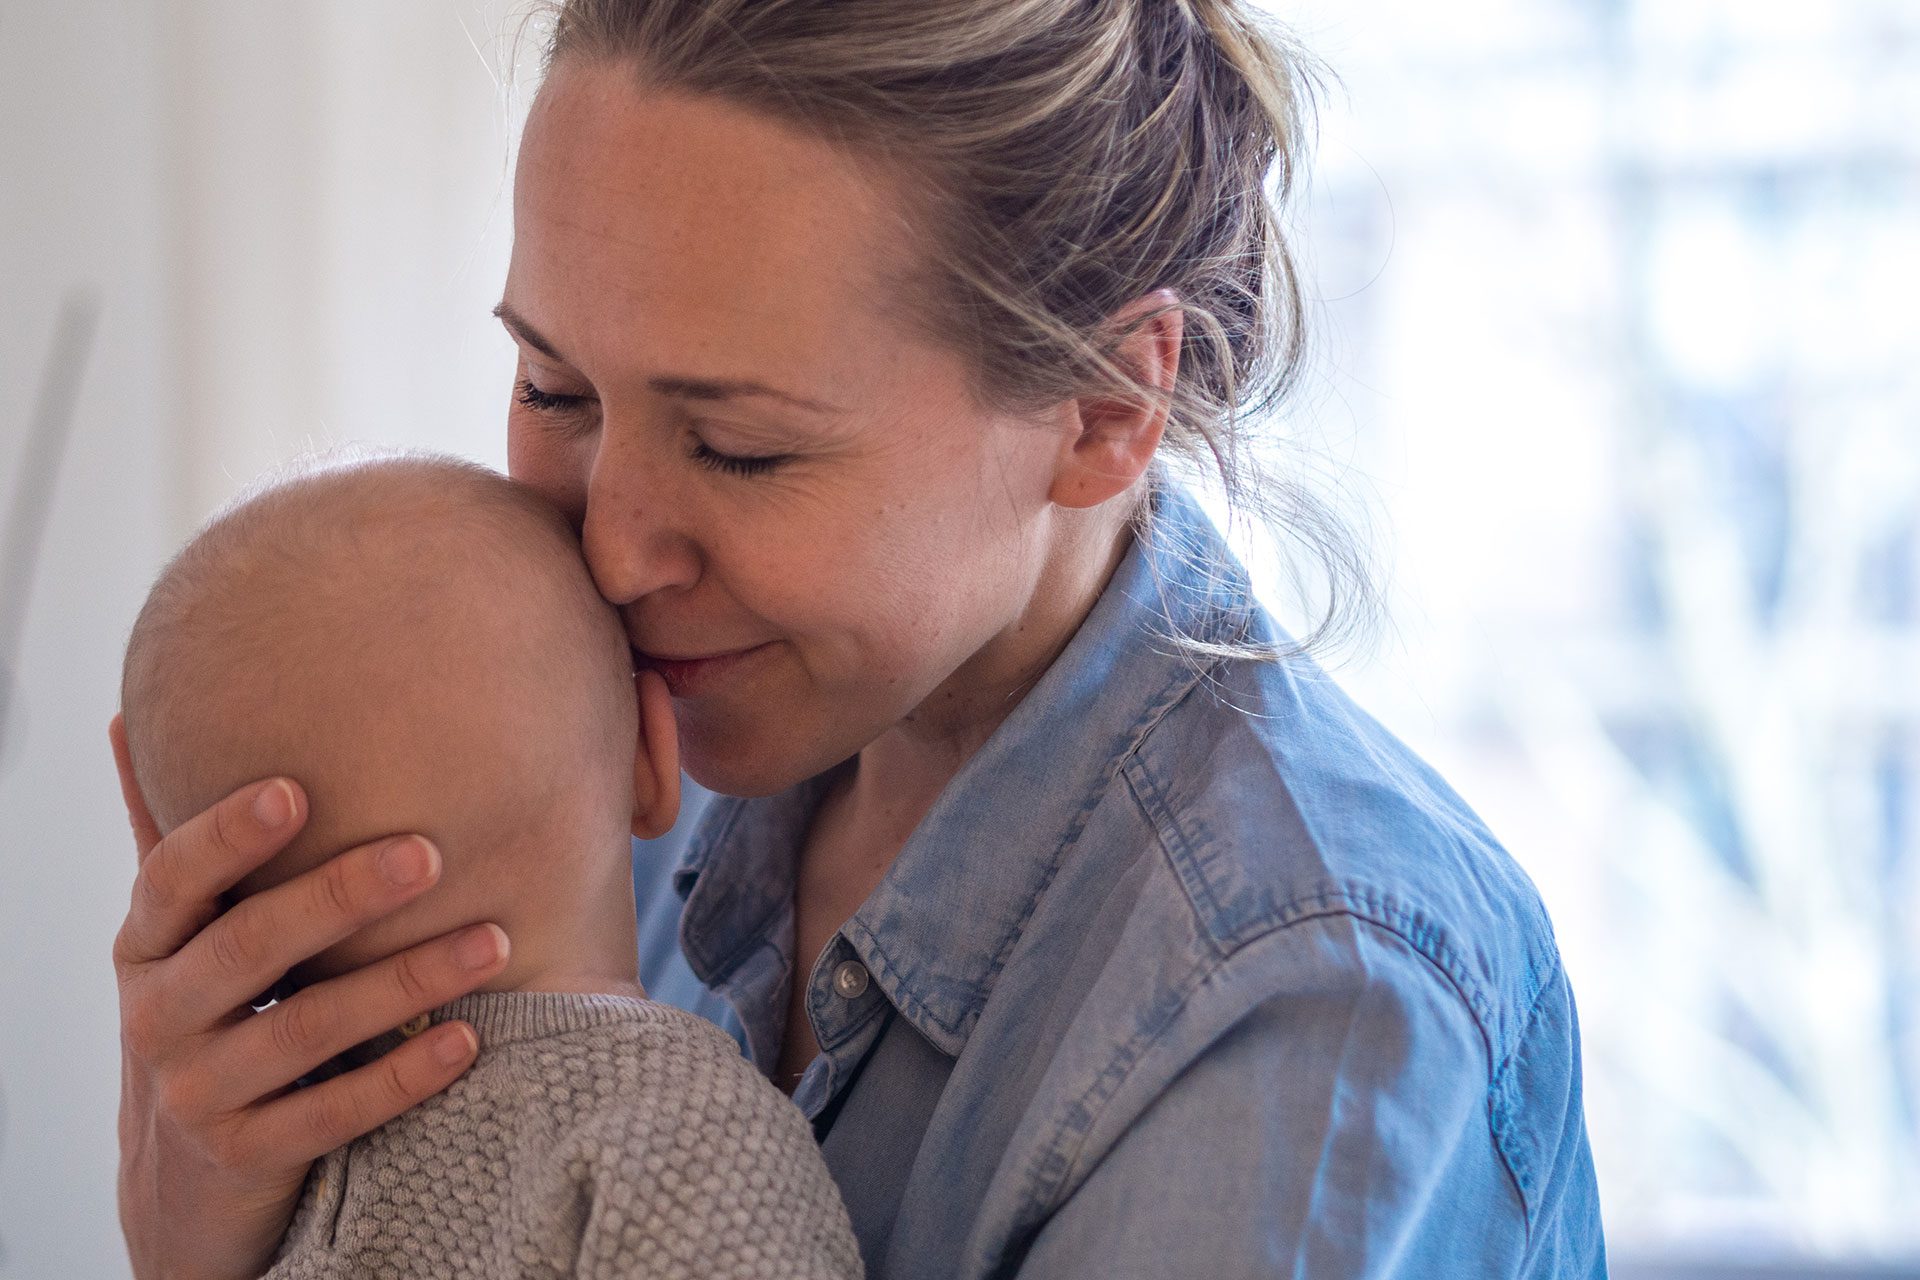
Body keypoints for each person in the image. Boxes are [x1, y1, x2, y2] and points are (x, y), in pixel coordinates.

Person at [109, 1, 1609, 1277]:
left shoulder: (1308, 997)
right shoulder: (610, 749)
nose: (612, 551)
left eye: (744, 449)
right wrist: (217, 1233)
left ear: (1104, 410)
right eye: (555, 392)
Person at [116, 451, 863, 1278]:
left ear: (213, 899)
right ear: (654, 766)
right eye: (549, 390)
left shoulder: (260, 1175)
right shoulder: (688, 1141)